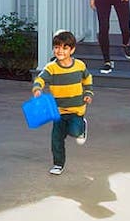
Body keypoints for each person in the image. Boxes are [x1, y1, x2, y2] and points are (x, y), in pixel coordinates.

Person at [32, 30, 93, 176]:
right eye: (57, 47)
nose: (60, 51)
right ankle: (58, 164)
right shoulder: (51, 68)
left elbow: (87, 79)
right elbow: (40, 79)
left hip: (76, 109)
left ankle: (81, 128)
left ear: (72, 49)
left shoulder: (79, 65)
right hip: (58, 111)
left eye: (65, 47)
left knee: (74, 131)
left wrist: (88, 93)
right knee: (56, 140)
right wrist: (37, 89)